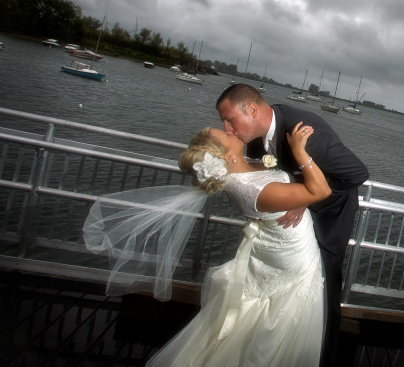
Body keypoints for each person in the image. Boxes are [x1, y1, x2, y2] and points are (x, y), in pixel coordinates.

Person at [84, 122, 330, 367]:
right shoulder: (253, 190)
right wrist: (299, 151)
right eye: (225, 134)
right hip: (292, 258)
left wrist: (299, 199)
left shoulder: (244, 171)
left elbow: (293, 188)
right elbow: (321, 191)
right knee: (277, 325)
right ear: (228, 157)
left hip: (276, 249)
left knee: (255, 316)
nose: (230, 130)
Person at [217, 83, 369, 367]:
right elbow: (269, 166)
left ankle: (325, 357)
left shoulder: (308, 133)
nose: (227, 128)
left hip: (328, 218)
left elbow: (357, 173)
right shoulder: (255, 136)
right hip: (292, 231)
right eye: (223, 122)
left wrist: (306, 201)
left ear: (251, 110)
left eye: (230, 120)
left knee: (324, 291)